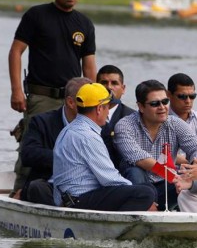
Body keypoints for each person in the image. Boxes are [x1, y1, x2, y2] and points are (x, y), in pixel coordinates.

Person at [8, 0, 98, 194]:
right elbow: (16, 52)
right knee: (32, 148)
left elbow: (88, 65)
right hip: (42, 96)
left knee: (76, 148)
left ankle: (69, 195)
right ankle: (19, 194)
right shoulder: (36, 16)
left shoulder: (84, 24)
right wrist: (16, 90)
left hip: (74, 100)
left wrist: (97, 100)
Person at [52, 83, 156, 211]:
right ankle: (118, 228)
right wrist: (143, 198)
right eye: (107, 107)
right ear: (99, 109)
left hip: (72, 198)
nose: (108, 112)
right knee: (145, 193)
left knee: (146, 189)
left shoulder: (69, 129)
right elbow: (110, 179)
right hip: (79, 200)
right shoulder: (87, 136)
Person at [114, 79, 197, 211]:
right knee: (135, 171)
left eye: (165, 102)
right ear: (141, 106)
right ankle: (145, 206)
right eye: (155, 103)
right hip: (137, 186)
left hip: (167, 183)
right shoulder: (125, 125)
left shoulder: (175, 123)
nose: (162, 107)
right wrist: (175, 176)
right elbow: (139, 157)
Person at [19, 77, 92, 205]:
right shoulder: (41, 122)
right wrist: (66, 159)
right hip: (49, 185)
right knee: (37, 188)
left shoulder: (101, 125)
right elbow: (28, 154)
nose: (95, 106)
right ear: (71, 102)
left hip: (88, 187)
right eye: (88, 101)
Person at [96, 65, 135, 170]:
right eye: (104, 83)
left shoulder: (134, 118)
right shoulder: (85, 114)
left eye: (114, 83)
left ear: (123, 89)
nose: (109, 87)